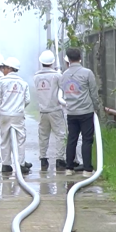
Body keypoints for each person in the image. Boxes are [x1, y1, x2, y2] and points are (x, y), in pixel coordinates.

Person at [60, 48, 101, 177]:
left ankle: (69, 168)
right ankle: (87, 170)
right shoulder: (87, 73)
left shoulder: (64, 75)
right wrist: (96, 107)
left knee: (72, 139)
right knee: (87, 140)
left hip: (71, 112)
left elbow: (64, 91)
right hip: (86, 111)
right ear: (80, 57)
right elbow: (93, 93)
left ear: (68, 59)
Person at [0, 57, 32, 174]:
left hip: (5, 114)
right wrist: (19, 108)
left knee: (5, 139)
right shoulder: (23, 83)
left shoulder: (1, 81)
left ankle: (6, 164)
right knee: (20, 139)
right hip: (18, 114)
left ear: (9, 68)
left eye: (4, 67)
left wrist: (3, 108)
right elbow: (27, 100)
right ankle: (21, 164)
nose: (3, 70)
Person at [34, 50, 68, 172]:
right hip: (55, 110)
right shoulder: (57, 76)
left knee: (43, 136)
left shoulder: (36, 77)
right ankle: (59, 160)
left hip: (43, 111)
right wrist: (60, 75)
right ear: (53, 62)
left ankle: (43, 159)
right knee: (60, 134)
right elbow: (64, 88)